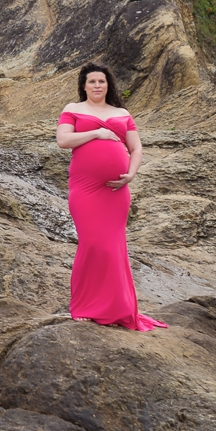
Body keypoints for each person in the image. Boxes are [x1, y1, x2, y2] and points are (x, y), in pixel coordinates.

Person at [55, 64, 166, 331]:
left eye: (101, 81)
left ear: (108, 85)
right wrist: (97, 133)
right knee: (92, 244)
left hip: (116, 191)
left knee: (114, 247)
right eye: (91, 81)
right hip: (84, 187)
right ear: (84, 85)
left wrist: (130, 174)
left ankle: (118, 308)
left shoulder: (122, 113)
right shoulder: (73, 109)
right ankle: (83, 306)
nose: (96, 86)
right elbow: (63, 141)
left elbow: (136, 148)